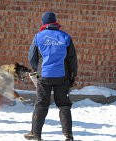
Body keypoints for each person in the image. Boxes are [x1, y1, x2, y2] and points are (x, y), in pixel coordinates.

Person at [25, 12, 78, 141]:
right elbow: (72, 60)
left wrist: (37, 69)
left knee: (41, 104)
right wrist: (72, 77)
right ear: (55, 22)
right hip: (62, 76)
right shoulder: (65, 37)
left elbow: (32, 57)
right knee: (64, 104)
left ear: (44, 23)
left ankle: (36, 134)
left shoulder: (38, 37)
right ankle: (68, 135)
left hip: (44, 75)